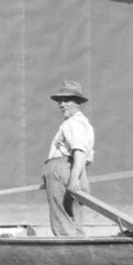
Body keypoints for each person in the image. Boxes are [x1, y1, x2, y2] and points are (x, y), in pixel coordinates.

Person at [43, 81, 94, 236]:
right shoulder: (82, 123)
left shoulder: (73, 124)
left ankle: (67, 247)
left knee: (61, 217)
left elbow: (79, 151)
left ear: (77, 103)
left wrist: (73, 179)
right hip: (73, 168)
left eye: (66, 100)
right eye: (60, 101)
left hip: (65, 168)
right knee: (73, 213)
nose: (61, 104)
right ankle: (79, 246)